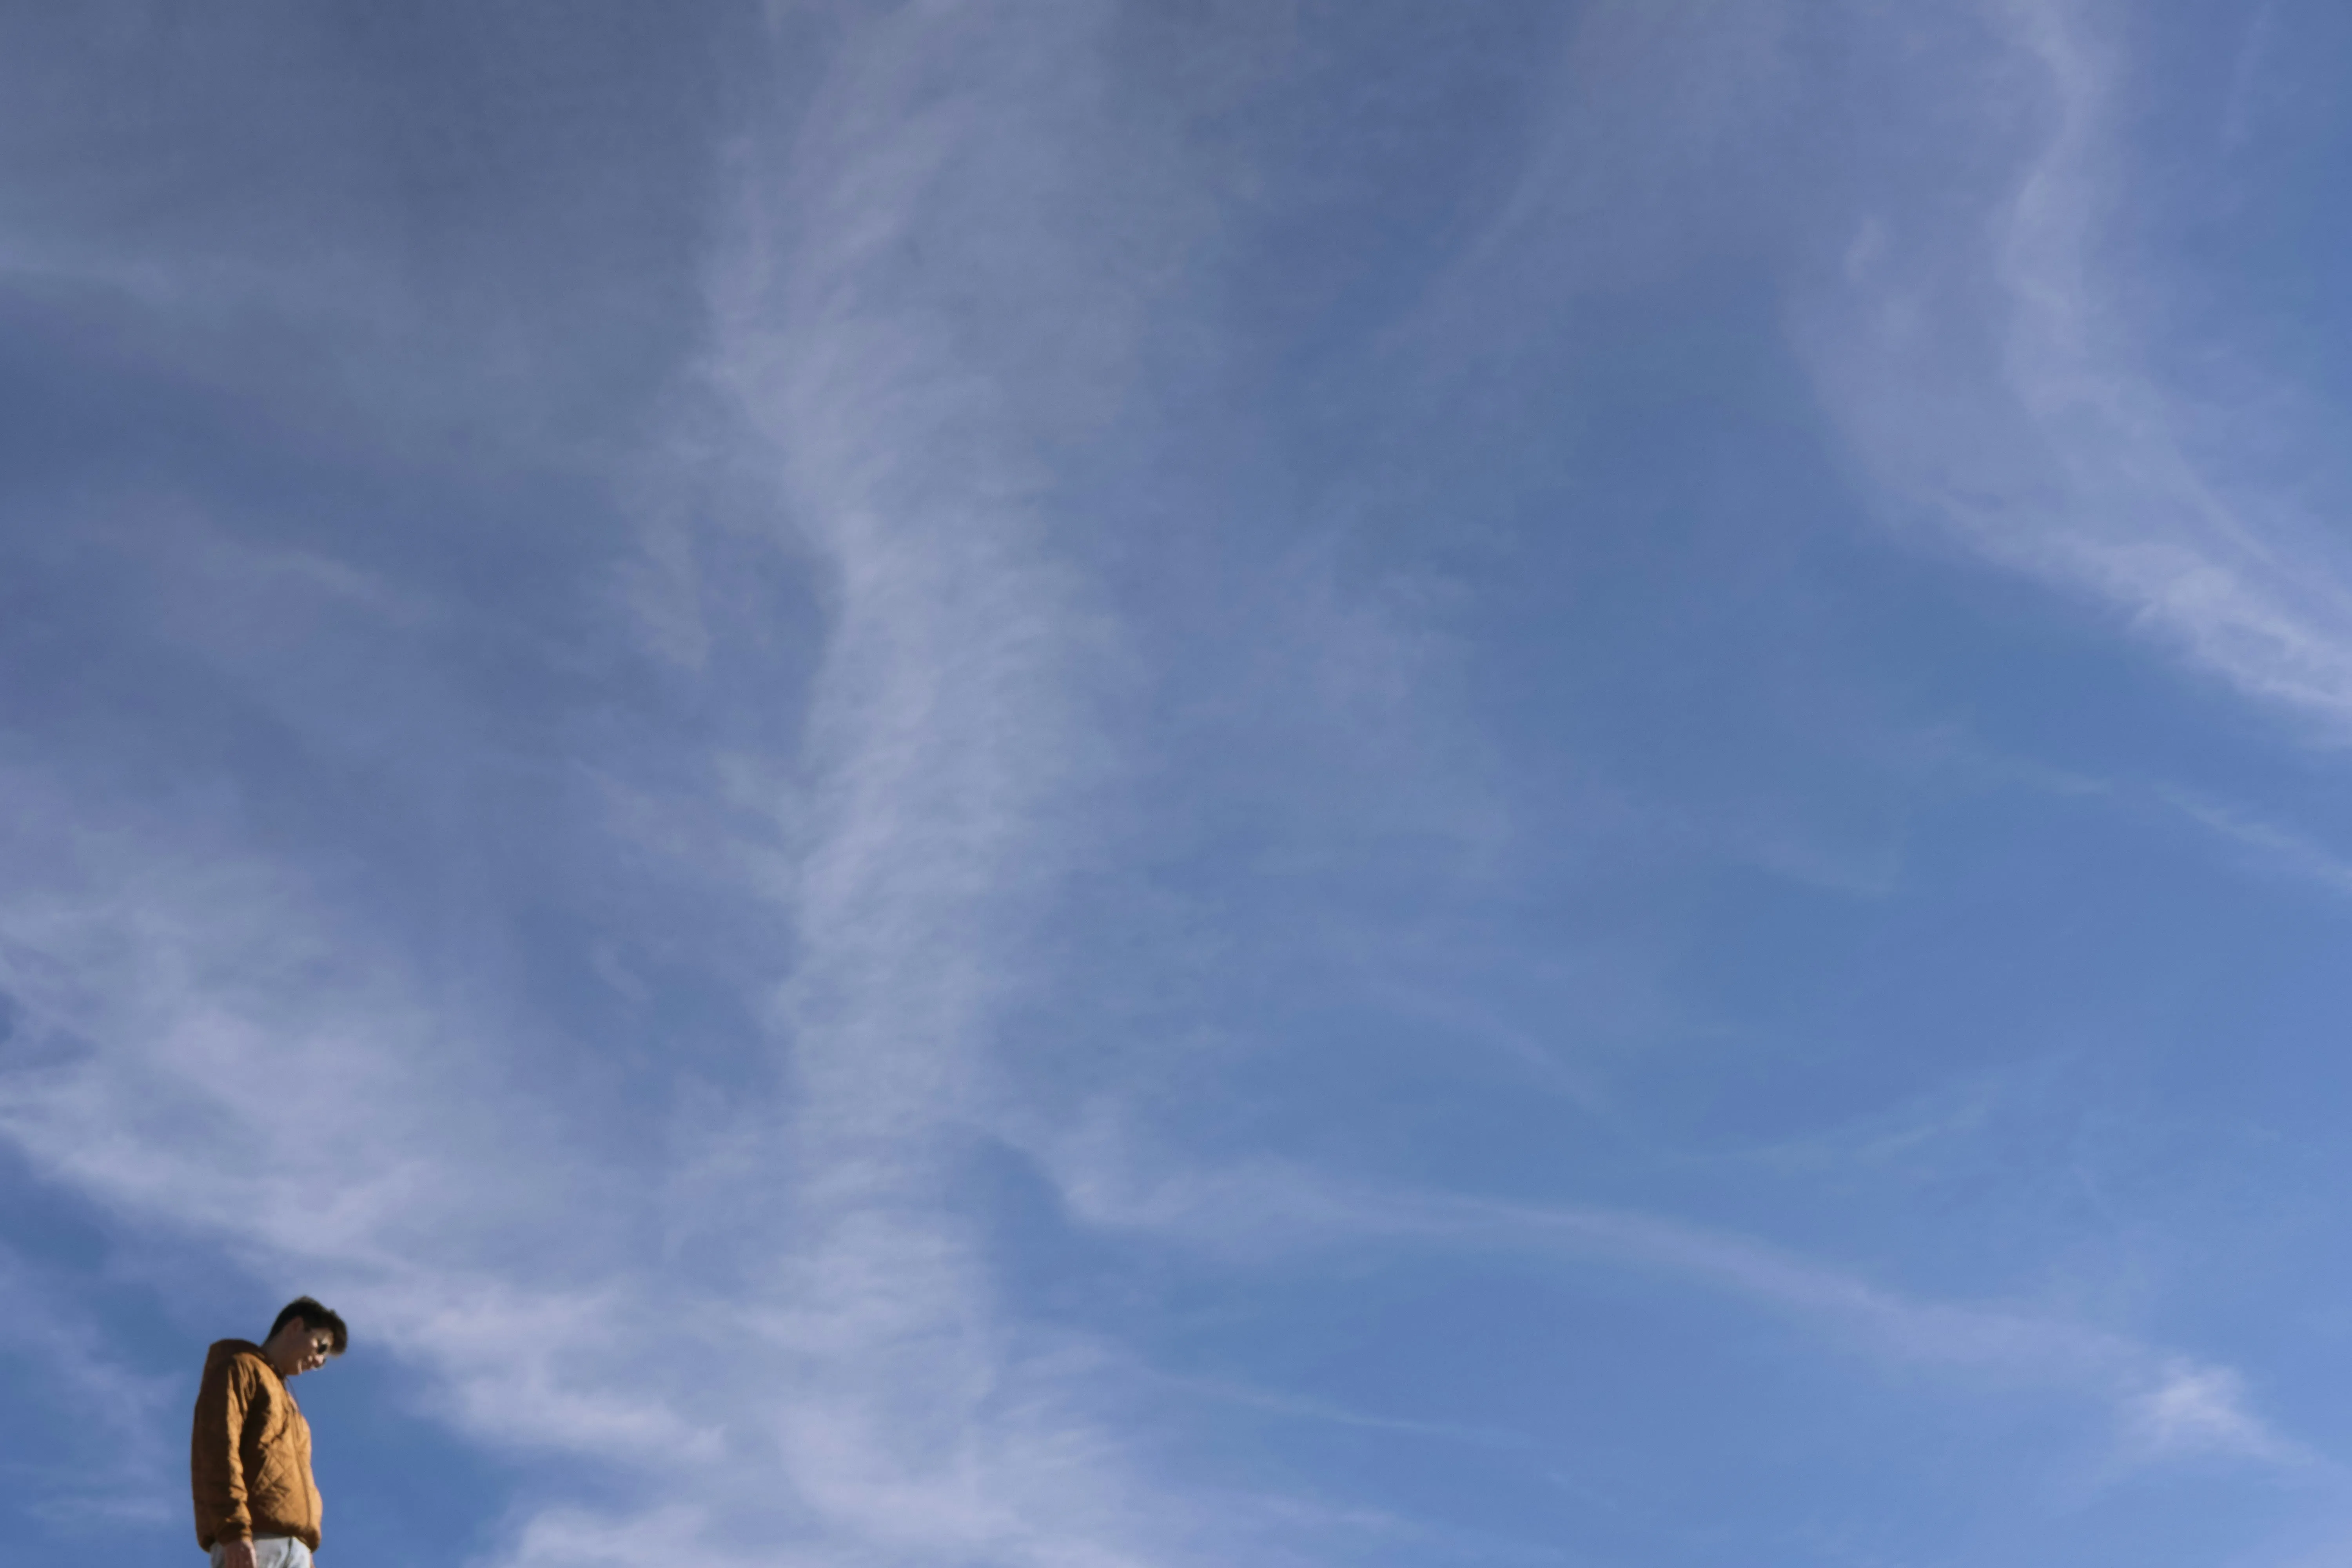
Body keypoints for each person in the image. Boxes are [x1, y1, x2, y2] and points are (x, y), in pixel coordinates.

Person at [191, 1296, 348, 1568]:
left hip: (294, 1550)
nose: (318, 1361)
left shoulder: (292, 1407)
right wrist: (234, 1532)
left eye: (324, 1360)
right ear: (296, 1327)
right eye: (321, 1346)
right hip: (253, 1544)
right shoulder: (240, 1368)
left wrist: (305, 1552)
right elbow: (218, 1451)